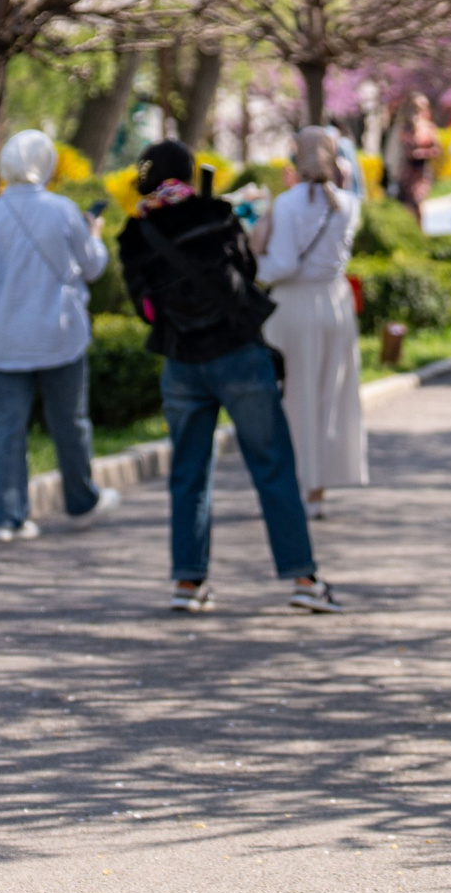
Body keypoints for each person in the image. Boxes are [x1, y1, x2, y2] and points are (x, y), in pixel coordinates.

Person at [119, 139, 339, 615]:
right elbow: (245, 270)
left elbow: (146, 310)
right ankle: (303, 577)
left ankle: (186, 582)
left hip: (181, 362)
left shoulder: (134, 234)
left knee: (189, 474)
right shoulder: (217, 215)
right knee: (272, 465)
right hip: (238, 355)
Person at [0, 129, 120, 542]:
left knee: (6, 427)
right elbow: (93, 268)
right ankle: (81, 501)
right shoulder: (63, 210)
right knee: (71, 422)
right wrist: (94, 235)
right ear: (46, 163)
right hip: (60, 337)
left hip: (6, 339)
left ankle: (4, 518)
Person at [258, 127, 367, 518]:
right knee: (328, 397)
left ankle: (295, 486)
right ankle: (317, 490)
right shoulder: (349, 203)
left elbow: (282, 265)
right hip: (336, 304)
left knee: (293, 398)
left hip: (293, 306)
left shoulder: (287, 205)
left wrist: (254, 261)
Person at [394, 94, 440, 213]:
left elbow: (437, 149)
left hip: (422, 170)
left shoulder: (429, 127)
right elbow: (404, 149)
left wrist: (422, 153)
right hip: (407, 171)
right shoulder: (405, 127)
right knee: (407, 203)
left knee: (417, 200)